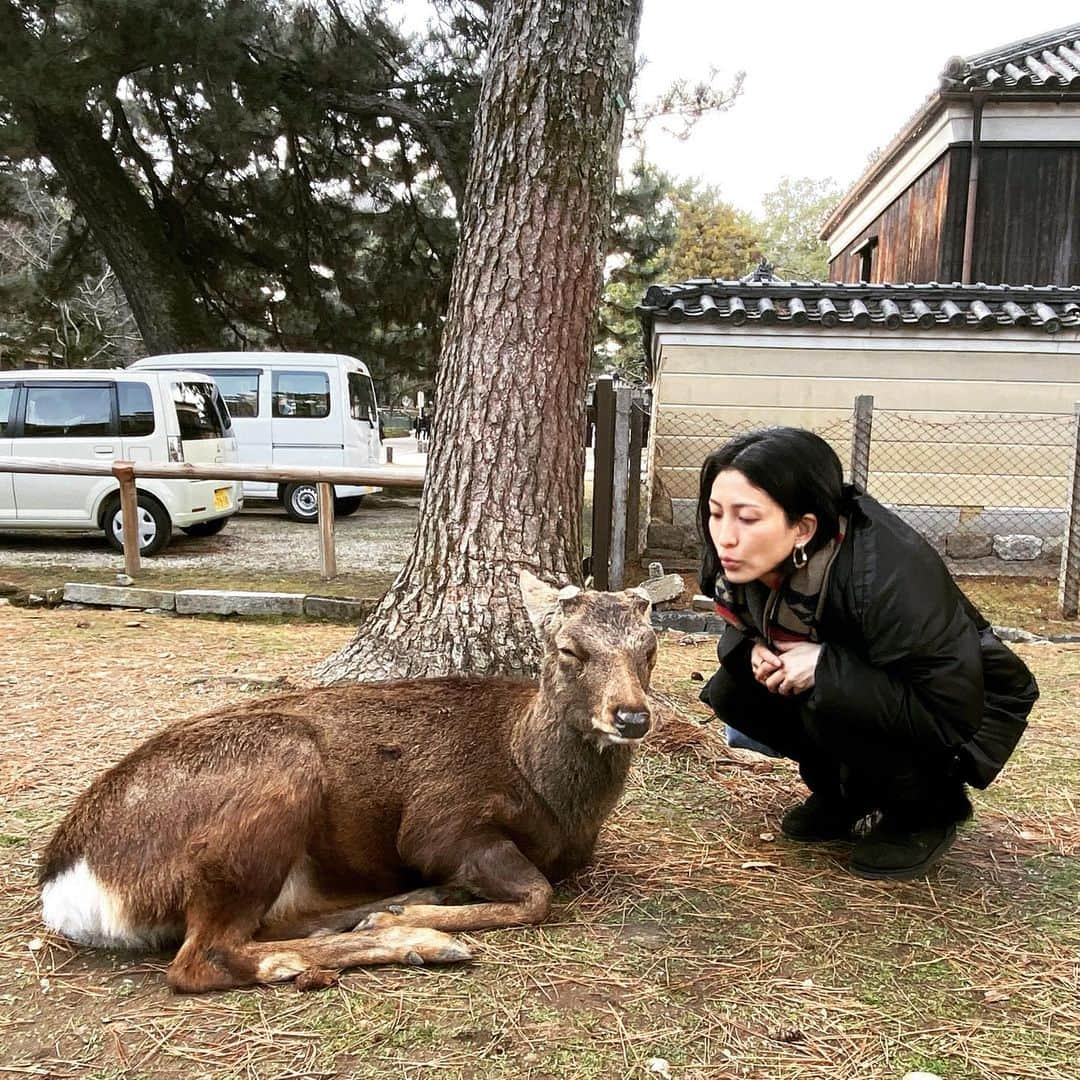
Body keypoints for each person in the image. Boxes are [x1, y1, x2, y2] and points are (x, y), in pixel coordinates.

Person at [697, 428, 1038, 881]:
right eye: (715, 514)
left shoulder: (888, 574)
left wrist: (823, 667)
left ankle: (927, 811)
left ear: (803, 527)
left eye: (748, 518)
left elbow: (949, 710)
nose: (725, 537)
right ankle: (845, 794)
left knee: (826, 699)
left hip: (963, 711)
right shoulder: (734, 561)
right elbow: (741, 624)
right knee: (735, 691)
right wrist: (757, 648)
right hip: (874, 686)